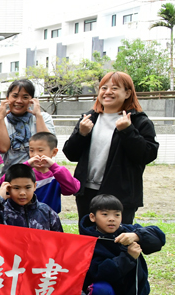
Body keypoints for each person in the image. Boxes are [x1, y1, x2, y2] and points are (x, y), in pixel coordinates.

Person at [62, 71, 158, 223]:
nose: (107, 92)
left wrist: (127, 131)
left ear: (127, 93)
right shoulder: (89, 118)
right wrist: (81, 134)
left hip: (120, 195)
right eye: (103, 88)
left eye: (114, 88)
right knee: (89, 240)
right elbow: (70, 154)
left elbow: (147, 155)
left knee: (116, 242)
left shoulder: (139, 121)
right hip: (87, 193)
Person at [80, 195, 165, 295]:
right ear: (93, 217)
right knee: (101, 290)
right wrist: (129, 257)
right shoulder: (87, 242)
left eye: (117, 215)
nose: (112, 219)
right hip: (104, 289)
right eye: (105, 214)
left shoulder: (129, 231)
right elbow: (100, 272)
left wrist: (137, 236)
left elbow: (159, 237)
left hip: (129, 293)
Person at [0, 79, 56, 173]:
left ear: (32, 100)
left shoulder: (43, 118)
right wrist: (1, 118)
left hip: (41, 178)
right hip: (11, 177)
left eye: (25, 97)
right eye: (15, 96)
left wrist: (38, 115)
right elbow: (3, 148)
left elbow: (48, 144)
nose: (19, 101)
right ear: (7, 98)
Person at [0, 164, 63, 232]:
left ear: (35, 186)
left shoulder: (47, 213)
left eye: (27, 187)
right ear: (8, 188)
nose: (22, 193)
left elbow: (59, 242)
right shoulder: (0, 210)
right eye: (16, 188)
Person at [17, 132, 80, 214]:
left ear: (54, 152)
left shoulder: (58, 174)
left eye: (40, 150)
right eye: (31, 150)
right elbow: (5, 181)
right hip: (25, 217)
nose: (35, 155)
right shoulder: (25, 172)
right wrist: (25, 166)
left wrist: (54, 166)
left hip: (50, 219)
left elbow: (73, 189)